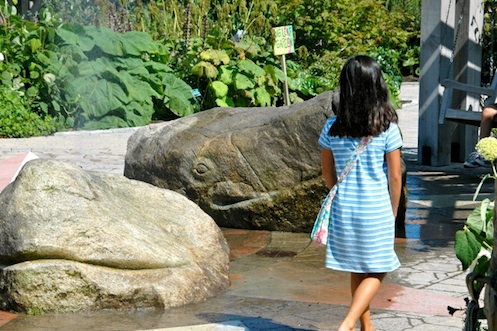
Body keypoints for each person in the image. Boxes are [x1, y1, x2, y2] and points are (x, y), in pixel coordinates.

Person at [318, 55, 403, 331]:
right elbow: (395, 177)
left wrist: (339, 195)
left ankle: (367, 327)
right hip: (375, 208)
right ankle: (347, 324)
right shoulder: (388, 127)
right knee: (379, 268)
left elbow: (327, 173)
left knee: (358, 267)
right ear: (378, 85)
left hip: (345, 209)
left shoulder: (332, 126)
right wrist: (392, 212)